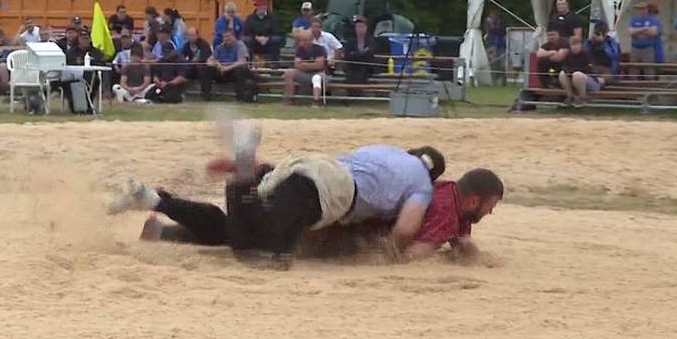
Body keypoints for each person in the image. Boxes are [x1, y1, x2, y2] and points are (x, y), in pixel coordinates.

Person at [109, 122, 448, 258]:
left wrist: (263, 168)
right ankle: (243, 169)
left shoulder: (385, 150)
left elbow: (317, 171)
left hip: (310, 165)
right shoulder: (420, 183)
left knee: (240, 226)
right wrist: (389, 255)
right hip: (333, 190)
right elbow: (405, 229)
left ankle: (155, 201)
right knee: (259, 249)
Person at [205, 28, 254, 102]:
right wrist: (218, 65)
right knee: (206, 69)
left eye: (228, 36)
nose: (226, 38)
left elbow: (242, 61)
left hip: (234, 71)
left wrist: (227, 68)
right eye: (224, 37)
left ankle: (240, 97)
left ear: (233, 36)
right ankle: (206, 96)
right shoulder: (219, 47)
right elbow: (209, 61)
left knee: (241, 69)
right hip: (222, 71)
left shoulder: (240, 45)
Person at [285, 31, 327, 106]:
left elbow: (319, 65)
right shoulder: (300, 49)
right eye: (301, 40)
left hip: (319, 73)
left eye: (305, 40)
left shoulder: (320, 49)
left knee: (316, 78)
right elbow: (296, 64)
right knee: (288, 73)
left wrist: (304, 64)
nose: (303, 42)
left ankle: (316, 101)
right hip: (304, 73)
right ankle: (289, 99)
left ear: (311, 40)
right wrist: (310, 65)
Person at [557, 38, 598, 107]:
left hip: (591, 82)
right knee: (562, 74)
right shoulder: (568, 55)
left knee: (577, 74)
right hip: (573, 80)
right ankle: (570, 97)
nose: (575, 47)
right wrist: (568, 72)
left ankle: (583, 98)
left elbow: (589, 69)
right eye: (573, 45)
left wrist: (572, 71)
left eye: (577, 44)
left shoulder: (587, 54)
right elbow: (564, 67)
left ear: (581, 45)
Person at [627, 1, 661, 80]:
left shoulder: (653, 20)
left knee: (649, 69)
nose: (641, 10)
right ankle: (632, 87)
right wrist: (644, 29)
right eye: (638, 9)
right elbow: (631, 32)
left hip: (648, 48)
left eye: (643, 8)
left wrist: (637, 31)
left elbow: (654, 32)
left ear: (647, 9)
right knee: (633, 69)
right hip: (635, 48)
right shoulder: (633, 19)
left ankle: (649, 87)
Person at [147, 39, 188, 103]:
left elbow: (181, 77)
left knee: (169, 97)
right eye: (164, 53)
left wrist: (168, 83)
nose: (166, 55)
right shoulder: (162, 61)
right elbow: (156, 74)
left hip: (174, 85)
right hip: (161, 85)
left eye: (168, 53)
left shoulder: (180, 61)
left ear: (173, 51)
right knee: (149, 95)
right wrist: (156, 80)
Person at [244, 0, 281, 64]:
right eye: (260, 5)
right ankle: (248, 63)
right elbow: (246, 32)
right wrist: (256, 37)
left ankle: (274, 64)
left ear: (267, 6)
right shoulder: (250, 18)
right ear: (256, 6)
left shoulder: (273, 18)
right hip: (254, 43)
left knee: (276, 39)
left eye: (264, 5)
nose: (262, 7)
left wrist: (267, 38)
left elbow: (276, 31)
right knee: (246, 39)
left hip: (268, 42)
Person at [342, 16, 376, 86]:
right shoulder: (350, 41)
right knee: (350, 75)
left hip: (366, 67)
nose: (359, 29)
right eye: (358, 27)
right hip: (352, 67)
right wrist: (361, 53)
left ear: (366, 28)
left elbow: (369, 54)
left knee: (361, 72)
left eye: (361, 27)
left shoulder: (370, 41)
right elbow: (347, 56)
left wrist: (355, 54)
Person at [179, 26, 212, 92]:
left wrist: (192, 61)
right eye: (189, 35)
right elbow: (181, 57)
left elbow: (204, 58)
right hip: (192, 66)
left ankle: (205, 93)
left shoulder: (204, 44)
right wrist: (189, 61)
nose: (191, 37)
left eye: (193, 35)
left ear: (197, 35)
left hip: (203, 67)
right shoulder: (186, 45)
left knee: (201, 68)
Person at [483, 7, 507, 84]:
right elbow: (489, 31)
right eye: (493, 12)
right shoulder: (487, 22)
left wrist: (495, 30)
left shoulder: (500, 22)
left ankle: (502, 80)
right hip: (491, 44)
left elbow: (503, 31)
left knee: (502, 63)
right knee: (493, 63)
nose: (495, 14)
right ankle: (494, 80)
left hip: (500, 44)